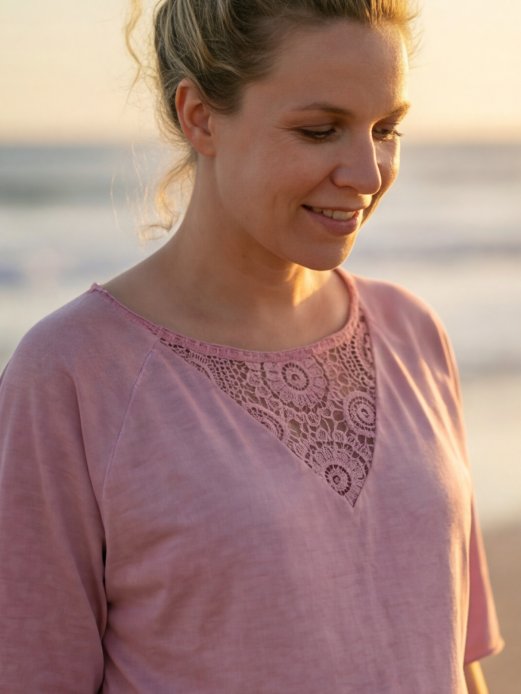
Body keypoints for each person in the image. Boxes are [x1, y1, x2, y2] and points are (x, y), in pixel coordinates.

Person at [0, 1, 504, 692]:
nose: (368, 173)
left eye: (386, 129)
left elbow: (458, 660)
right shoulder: (72, 375)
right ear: (199, 116)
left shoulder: (413, 334)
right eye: (320, 130)